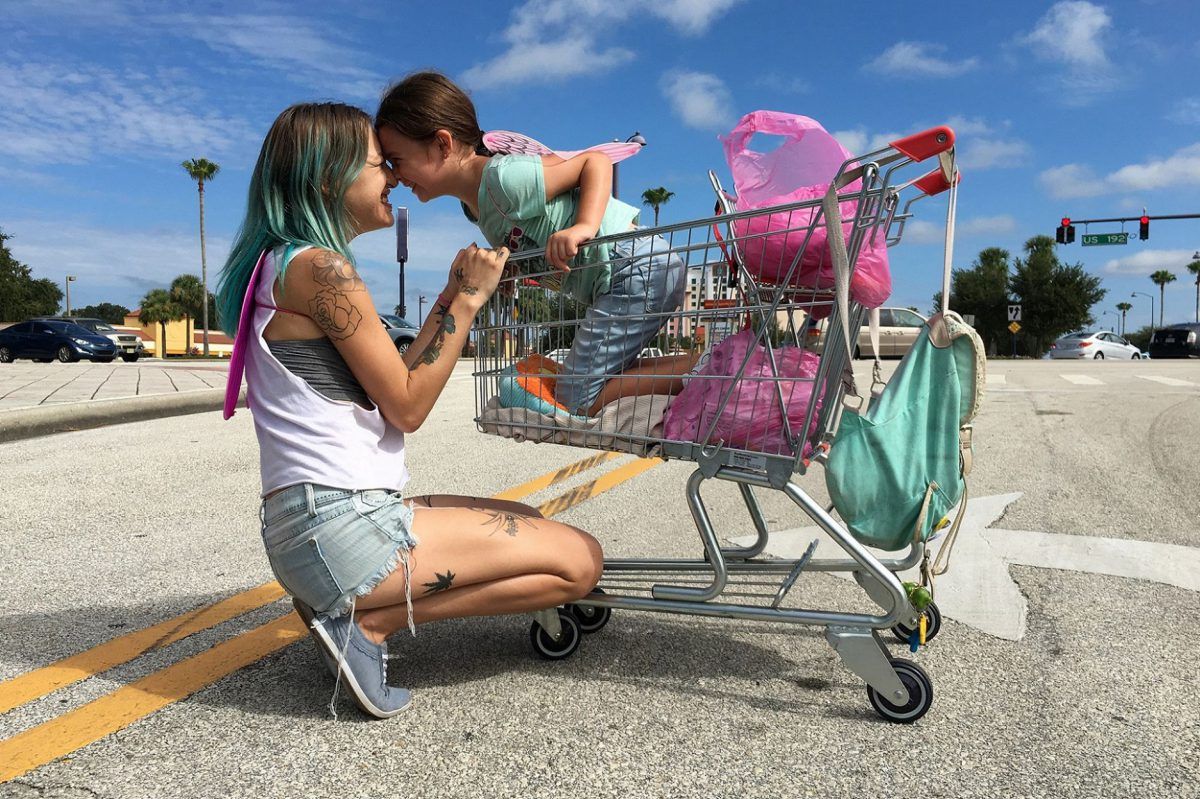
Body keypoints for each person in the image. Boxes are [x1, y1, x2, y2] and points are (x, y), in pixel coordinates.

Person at [215, 102, 604, 719]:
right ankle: (365, 624)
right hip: (343, 529)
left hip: (318, 526)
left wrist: (450, 295)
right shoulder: (321, 268)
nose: (392, 178)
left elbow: (390, 385)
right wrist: (472, 302)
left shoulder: (283, 264)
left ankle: (345, 605)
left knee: (525, 516)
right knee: (579, 563)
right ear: (327, 177)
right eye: (378, 165)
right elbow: (409, 406)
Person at [375, 71, 697, 417]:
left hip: (632, 267)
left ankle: (714, 370)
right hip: (628, 272)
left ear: (442, 144)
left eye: (397, 159)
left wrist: (583, 226)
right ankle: (713, 365)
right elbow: (529, 232)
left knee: (577, 396)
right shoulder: (474, 206)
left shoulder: (504, 178)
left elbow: (595, 162)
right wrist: (513, 270)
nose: (393, 174)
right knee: (596, 380)